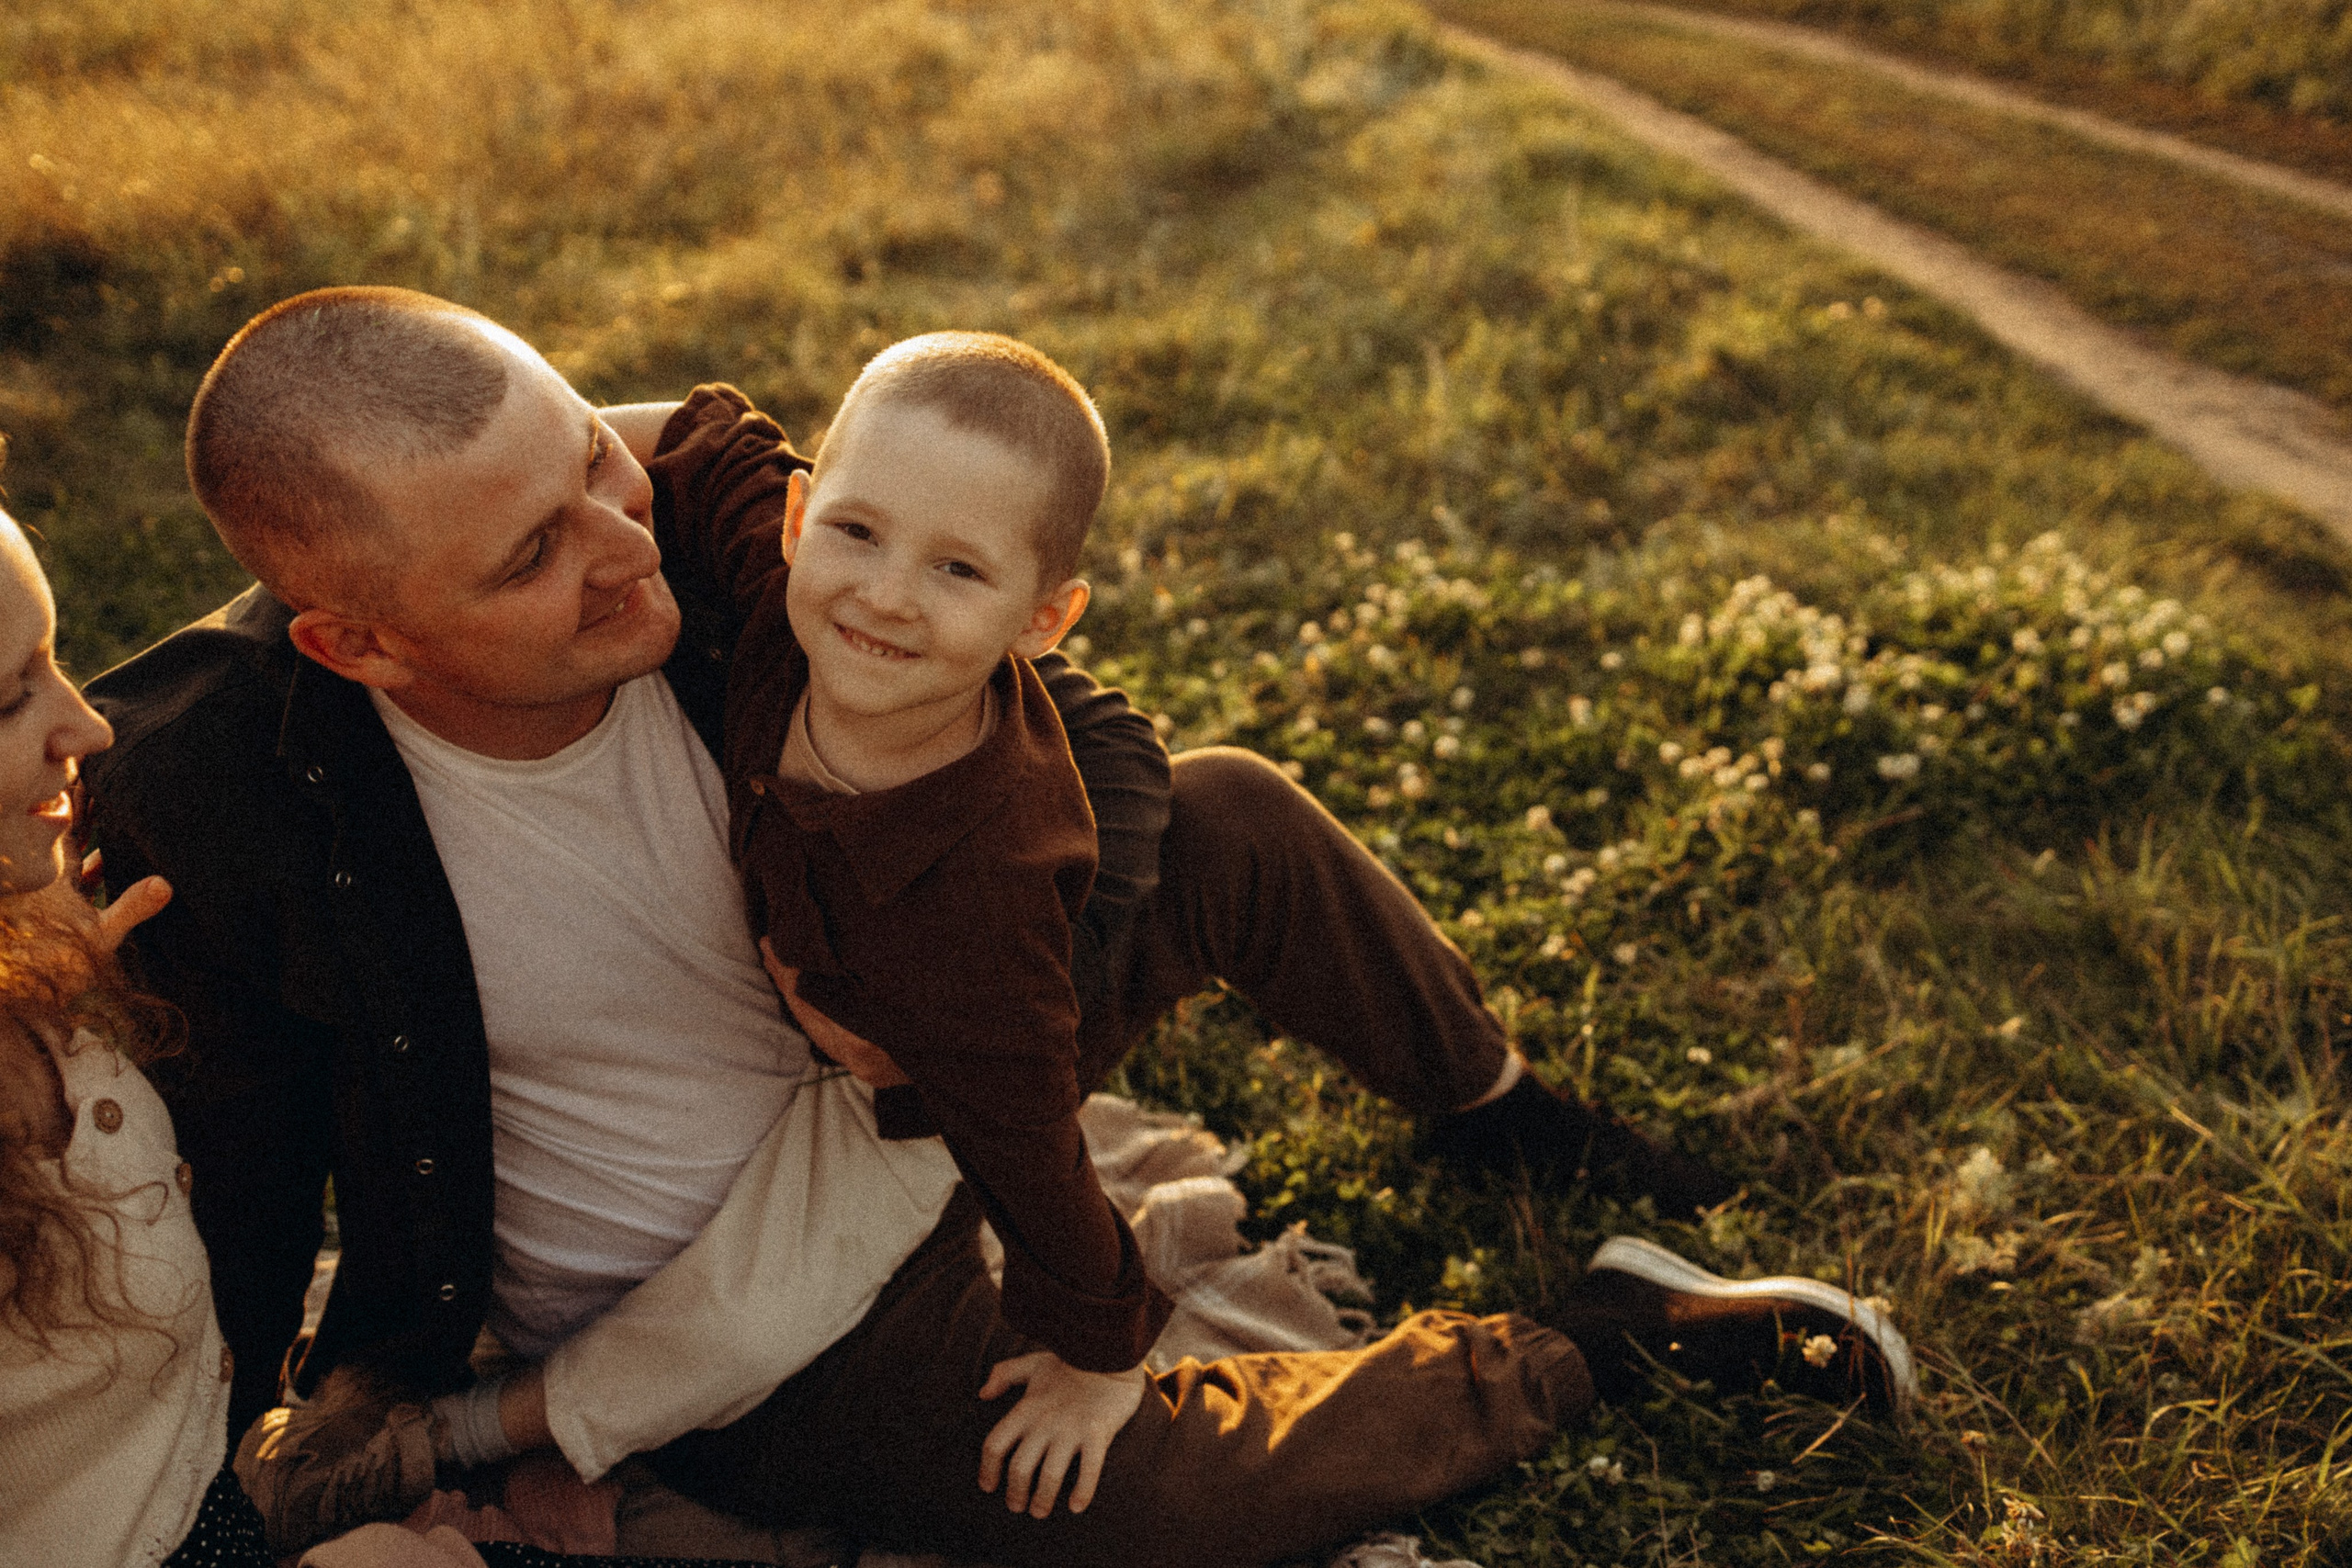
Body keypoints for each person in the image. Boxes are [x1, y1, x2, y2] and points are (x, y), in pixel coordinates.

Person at [80, 288, 1903, 1566]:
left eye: (593, 467)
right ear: (357, 641)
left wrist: (971, 1025)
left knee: (1227, 813)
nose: (619, 547)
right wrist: (303, 1469)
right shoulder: (227, 800)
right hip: (749, 1301)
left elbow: (1094, 735)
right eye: (532, 558)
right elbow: (227, 1172)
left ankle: (1501, 1109)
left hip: (922, 1064)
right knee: (1138, 1503)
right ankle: (1596, 1340)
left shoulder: (705, 535)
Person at [0, 461, 773, 1568]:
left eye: (54, 661)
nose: (88, 724)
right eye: (11, 698)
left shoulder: (54, 931)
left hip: (210, 1497)